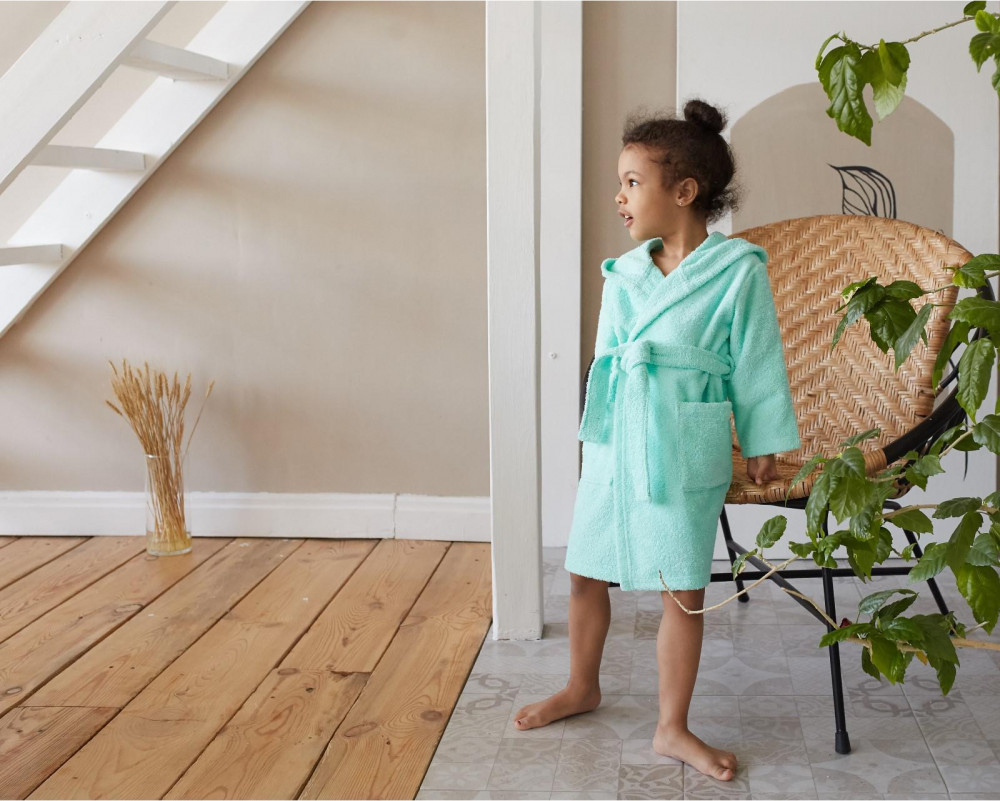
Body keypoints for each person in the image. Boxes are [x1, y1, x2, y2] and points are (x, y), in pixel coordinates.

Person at [511, 99, 802, 784]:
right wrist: (595, 440)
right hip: (616, 441)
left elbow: (757, 362)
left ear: (684, 191)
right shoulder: (623, 275)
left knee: (681, 588)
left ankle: (672, 726)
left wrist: (762, 439)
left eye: (632, 182)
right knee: (585, 571)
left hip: (682, 441)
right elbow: (606, 362)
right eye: (620, 183)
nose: (619, 196)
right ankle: (581, 685)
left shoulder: (738, 270)